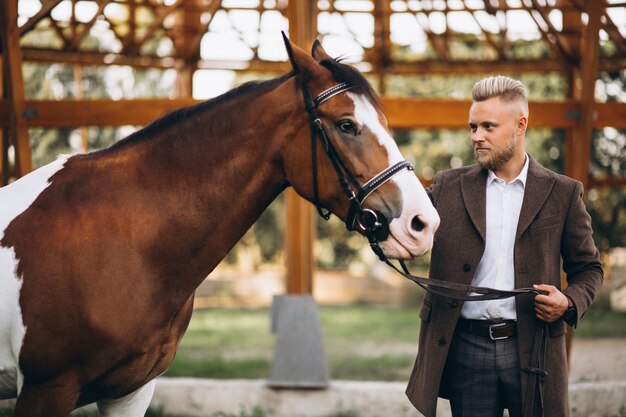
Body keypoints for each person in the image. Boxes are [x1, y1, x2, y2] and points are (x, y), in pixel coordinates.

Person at [405, 75, 604, 417]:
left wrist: (568, 301)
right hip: (467, 348)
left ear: (520, 124)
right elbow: (405, 225)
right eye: (472, 127)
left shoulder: (563, 193)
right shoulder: (447, 186)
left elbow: (589, 269)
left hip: (534, 346)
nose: (476, 136)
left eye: (488, 126)